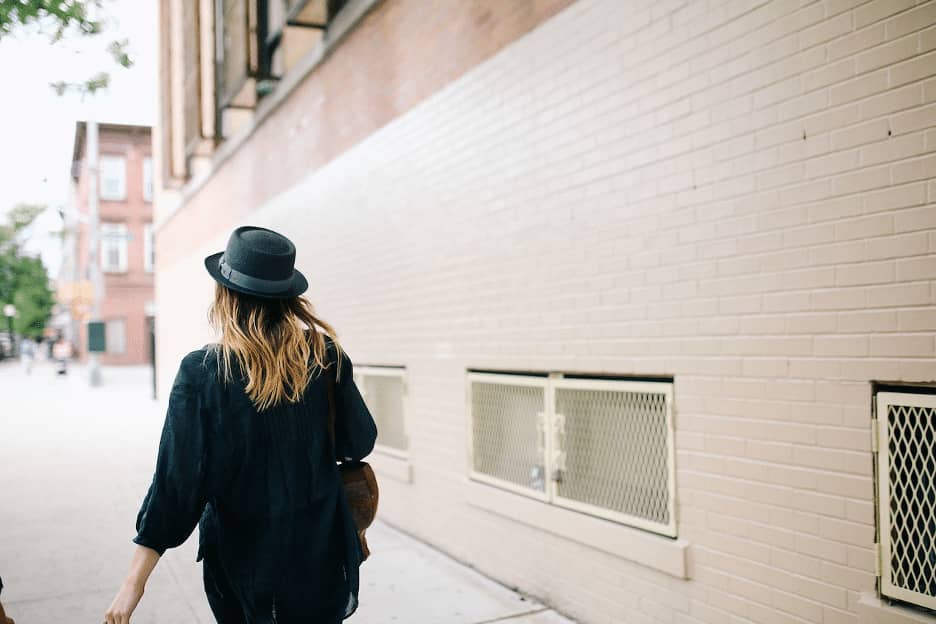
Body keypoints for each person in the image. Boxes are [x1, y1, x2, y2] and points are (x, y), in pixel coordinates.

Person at [104, 226, 378, 624]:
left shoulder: (202, 373)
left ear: (226, 295)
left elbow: (176, 488)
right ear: (287, 298)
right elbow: (359, 442)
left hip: (243, 565)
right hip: (320, 554)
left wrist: (134, 583)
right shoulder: (325, 357)